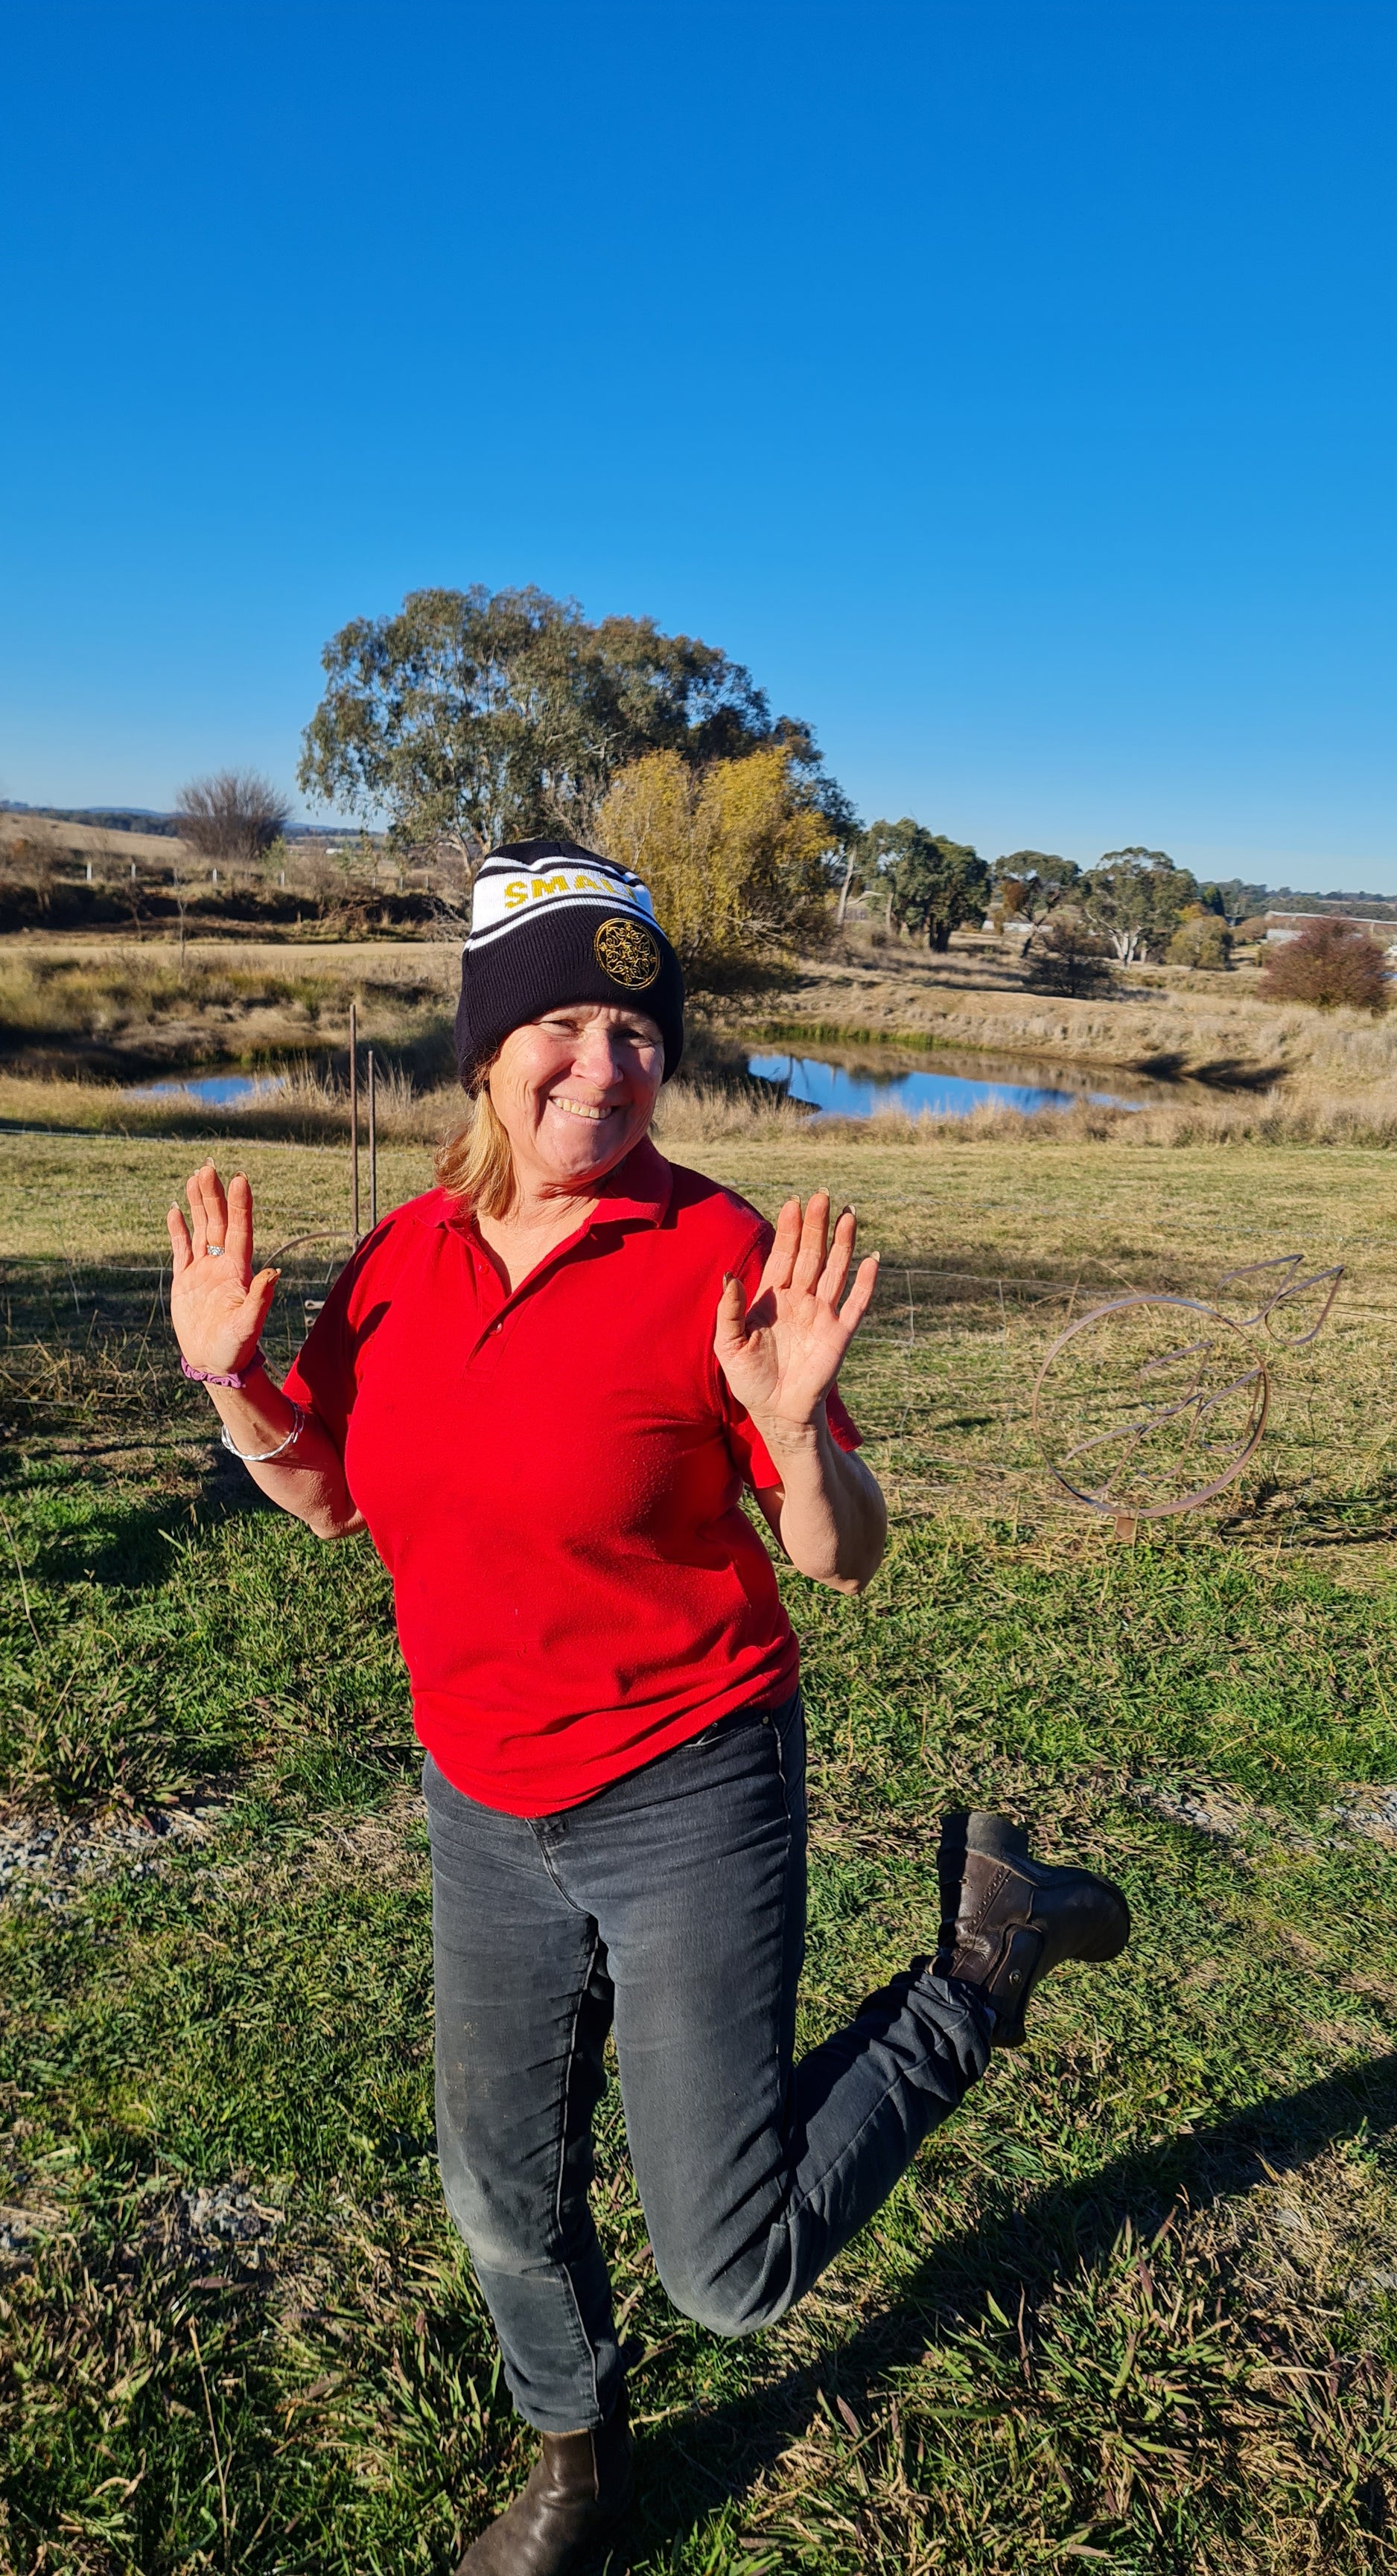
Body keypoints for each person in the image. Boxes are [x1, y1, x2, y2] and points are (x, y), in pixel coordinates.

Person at [167, 840, 1130, 2576]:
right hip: (482, 1792)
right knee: (494, 2189)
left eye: (640, 1034)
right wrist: (236, 1382)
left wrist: (794, 1431)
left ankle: (983, 1957)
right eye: (566, 1022)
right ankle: (578, 2471)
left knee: (731, 2267)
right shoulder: (397, 1257)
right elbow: (329, 1497)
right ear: (486, 1042)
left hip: (689, 1780)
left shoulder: (714, 1245)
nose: (605, 1067)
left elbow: (844, 1556)